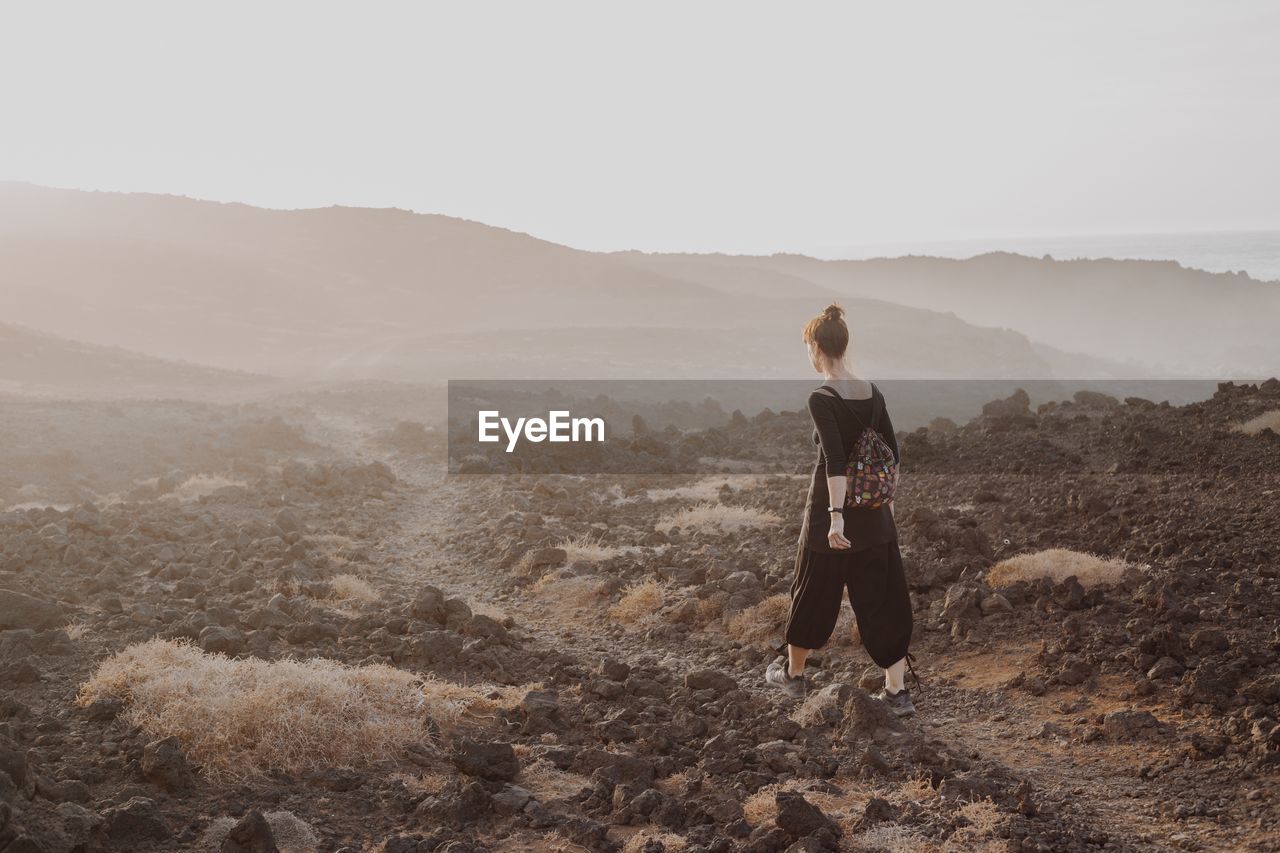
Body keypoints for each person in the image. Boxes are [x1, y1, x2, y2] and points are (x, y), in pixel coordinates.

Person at [764, 303, 918, 716]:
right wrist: (882, 503)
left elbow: (834, 458)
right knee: (884, 598)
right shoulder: (872, 392)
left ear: (815, 348)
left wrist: (836, 516)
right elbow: (894, 455)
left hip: (828, 516)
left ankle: (794, 677)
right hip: (875, 515)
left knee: (813, 591)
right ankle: (897, 692)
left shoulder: (822, 397)